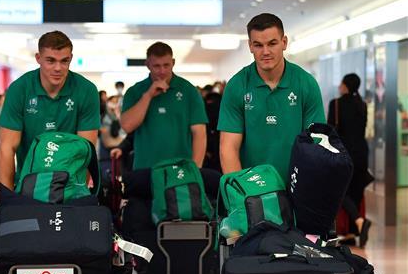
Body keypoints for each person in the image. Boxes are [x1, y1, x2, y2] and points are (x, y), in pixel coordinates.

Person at [218, 13, 326, 181]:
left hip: (297, 186)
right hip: (252, 189)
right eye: (258, 45)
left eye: (272, 43)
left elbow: (316, 144)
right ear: (250, 46)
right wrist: (242, 193)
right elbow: (228, 148)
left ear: (284, 42)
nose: (265, 52)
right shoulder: (237, 85)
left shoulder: (306, 84)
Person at [0, 30, 100, 190]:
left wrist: (80, 191)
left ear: (71, 58)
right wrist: (6, 197)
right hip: (28, 185)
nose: (58, 68)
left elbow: (85, 150)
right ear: (38, 58)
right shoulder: (19, 89)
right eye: (50, 61)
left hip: (70, 186)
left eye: (64, 61)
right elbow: (7, 148)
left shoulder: (86, 90)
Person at [120, 41, 207, 170]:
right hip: (144, 169)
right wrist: (148, 95)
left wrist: (196, 168)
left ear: (173, 62)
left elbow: (199, 133)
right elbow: (127, 126)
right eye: (157, 66)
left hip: (181, 170)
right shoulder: (135, 92)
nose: (162, 71)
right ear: (147, 65)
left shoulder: (189, 90)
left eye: (166, 65)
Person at [328, 73, 372, 247]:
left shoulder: (336, 104)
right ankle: (354, 232)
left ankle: (359, 222)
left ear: (345, 85)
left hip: (344, 154)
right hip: (362, 154)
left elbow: (331, 131)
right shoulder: (362, 105)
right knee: (356, 192)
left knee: (340, 191)